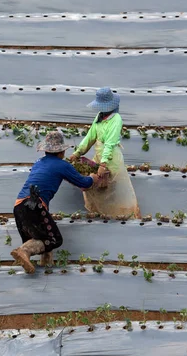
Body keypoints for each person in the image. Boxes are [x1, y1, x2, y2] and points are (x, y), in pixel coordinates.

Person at [11, 131, 99, 274]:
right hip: (34, 206)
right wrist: (94, 178)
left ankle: (46, 269)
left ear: (45, 150)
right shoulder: (62, 165)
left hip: (19, 206)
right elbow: (83, 182)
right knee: (54, 240)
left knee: (41, 241)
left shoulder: (38, 163)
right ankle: (23, 251)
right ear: (62, 151)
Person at [70, 87, 141, 219]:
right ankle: (102, 215)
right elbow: (90, 137)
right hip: (99, 158)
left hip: (112, 160)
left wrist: (103, 164)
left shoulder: (116, 119)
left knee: (114, 191)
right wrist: (78, 152)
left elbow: (110, 143)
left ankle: (123, 217)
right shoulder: (99, 117)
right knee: (97, 186)